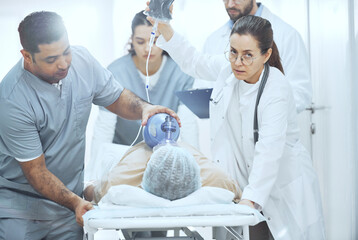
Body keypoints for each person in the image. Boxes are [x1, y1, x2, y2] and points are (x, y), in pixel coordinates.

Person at [146, 7, 325, 239]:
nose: (238, 62)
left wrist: (249, 200)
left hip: (281, 190)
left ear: (266, 55)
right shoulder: (230, 71)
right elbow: (194, 60)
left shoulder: (276, 89)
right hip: (245, 186)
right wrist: (165, 28)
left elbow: (268, 152)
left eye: (248, 55)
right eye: (233, 52)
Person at [0, 11, 180, 240]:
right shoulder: (12, 99)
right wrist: (76, 201)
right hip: (22, 212)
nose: (64, 63)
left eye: (66, 52)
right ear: (27, 56)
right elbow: (36, 171)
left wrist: (144, 108)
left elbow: (115, 97)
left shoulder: (82, 61)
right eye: (51, 59)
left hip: (68, 210)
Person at [93, 11, 197, 151]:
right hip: (123, 153)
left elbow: (188, 126)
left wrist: (195, 165)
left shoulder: (180, 73)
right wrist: (97, 168)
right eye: (140, 42)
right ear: (132, 40)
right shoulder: (116, 72)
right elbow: (104, 127)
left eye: (155, 41)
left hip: (163, 153)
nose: (148, 48)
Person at [202, 0, 311, 113]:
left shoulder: (287, 35)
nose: (230, 4)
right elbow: (203, 87)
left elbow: (300, 94)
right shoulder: (213, 40)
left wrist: (259, 109)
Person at [84, 141, 241, 203]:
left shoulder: (120, 181)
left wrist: (88, 186)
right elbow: (237, 192)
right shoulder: (217, 179)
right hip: (130, 155)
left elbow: (92, 192)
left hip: (131, 159)